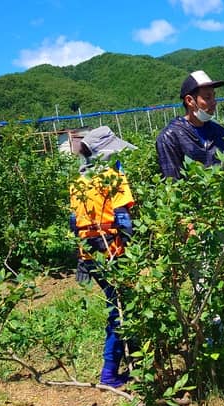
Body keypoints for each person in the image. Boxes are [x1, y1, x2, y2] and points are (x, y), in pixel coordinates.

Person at [69, 126, 136, 388]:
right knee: (119, 311)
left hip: (90, 254)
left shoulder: (78, 182)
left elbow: (74, 223)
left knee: (118, 306)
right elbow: (123, 219)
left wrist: (80, 257)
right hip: (112, 254)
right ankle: (109, 372)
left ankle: (131, 360)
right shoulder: (113, 178)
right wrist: (134, 255)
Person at [156, 70, 224, 180]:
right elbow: (173, 183)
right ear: (190, 101)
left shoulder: (220, 132)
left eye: (214, 97)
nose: (214, 102)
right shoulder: (169, 138)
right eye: (207, 97)